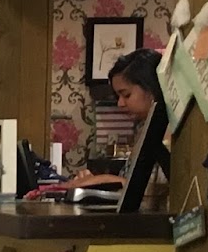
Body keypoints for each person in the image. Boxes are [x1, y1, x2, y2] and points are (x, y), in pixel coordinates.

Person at [64, 47, 163, 190]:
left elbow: (160, 190)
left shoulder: (171, 133)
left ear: (152, 89)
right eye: (118, 96)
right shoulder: (142, 128)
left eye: (126, 95)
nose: (120, 103)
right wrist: (94, 181)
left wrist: (108, 180)